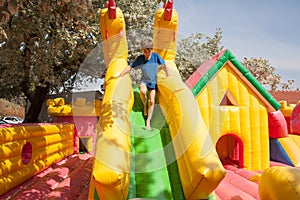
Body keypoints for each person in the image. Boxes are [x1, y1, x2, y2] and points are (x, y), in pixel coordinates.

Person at [116, 38, 169, 130]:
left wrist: (168, 75)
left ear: (151, 50)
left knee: (152, 101)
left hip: (153, 82)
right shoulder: (140, 58)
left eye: (147, 51)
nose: (146, 54)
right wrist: (121, 75)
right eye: (144, 51)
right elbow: (130, 67)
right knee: (143, 92)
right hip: (144, 80)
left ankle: (148, 121)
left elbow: (164, 65)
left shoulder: (155, 56)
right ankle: (144, 105)